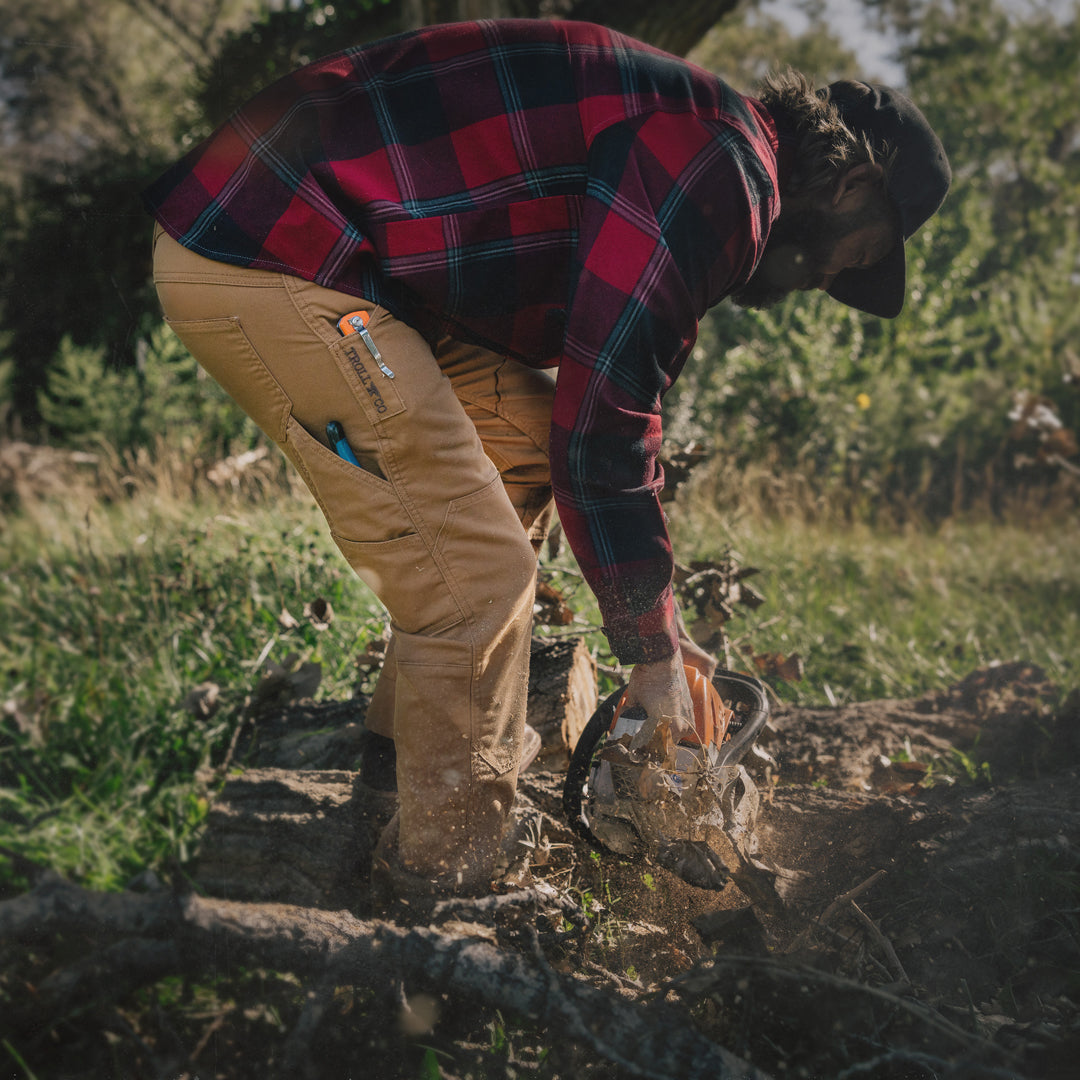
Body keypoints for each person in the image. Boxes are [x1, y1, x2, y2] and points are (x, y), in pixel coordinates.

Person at [143, 18, 949, 906]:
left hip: (339, 257)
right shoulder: (725, 170)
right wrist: (650, 656)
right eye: (859, 254)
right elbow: (607, 426)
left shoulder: (707, 138)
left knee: (523, 447)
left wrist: (663, 635)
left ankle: (395, 765)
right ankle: (450, 889)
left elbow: (579, 421)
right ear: (851, 183)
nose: (829, 279)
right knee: (479, 577)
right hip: (273, 249)